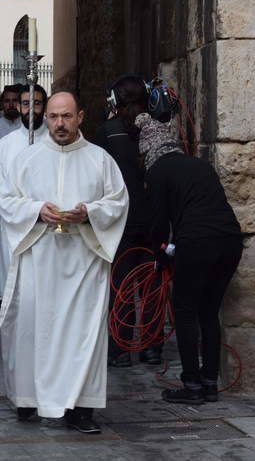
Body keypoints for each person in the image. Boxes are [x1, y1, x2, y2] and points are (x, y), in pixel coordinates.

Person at [0, 91, 129, 434]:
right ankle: (28, 398)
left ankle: (81, 408)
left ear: (80, 116)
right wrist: (36, 210)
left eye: (66, 116)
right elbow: (4, 199)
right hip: (38, 258)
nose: (59, 124)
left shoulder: (101, 160)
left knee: (84, 335)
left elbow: (118, 203)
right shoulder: (27, 159)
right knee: (32, 328)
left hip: (83, 264)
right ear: (45, 118)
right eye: (53, 117)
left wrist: (89, 212)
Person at [135, 113, 243, 404]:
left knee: (184, 311)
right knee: (209, 311)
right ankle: (209, 382)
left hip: (197, 243)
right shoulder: (199, 165)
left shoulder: (156, 172)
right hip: (231, 241)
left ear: (147, 150)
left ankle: (191, 386)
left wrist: (159, 255)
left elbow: (158, 223)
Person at [93, 74, 160, 367]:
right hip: (155, 217)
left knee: (121, 285)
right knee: (152, 285)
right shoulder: (159, 128)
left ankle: (120, 347)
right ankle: (151, 348)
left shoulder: (107, 132)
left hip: (121, 220)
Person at [0, 84, 48, 309]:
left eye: (37, 103)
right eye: (26, 104)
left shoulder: (55, 140)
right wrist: (23, 210)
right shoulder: (6, 144)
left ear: (45, 106)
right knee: (16, 300)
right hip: (13, 228)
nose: (31, 109)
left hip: (47, 230)